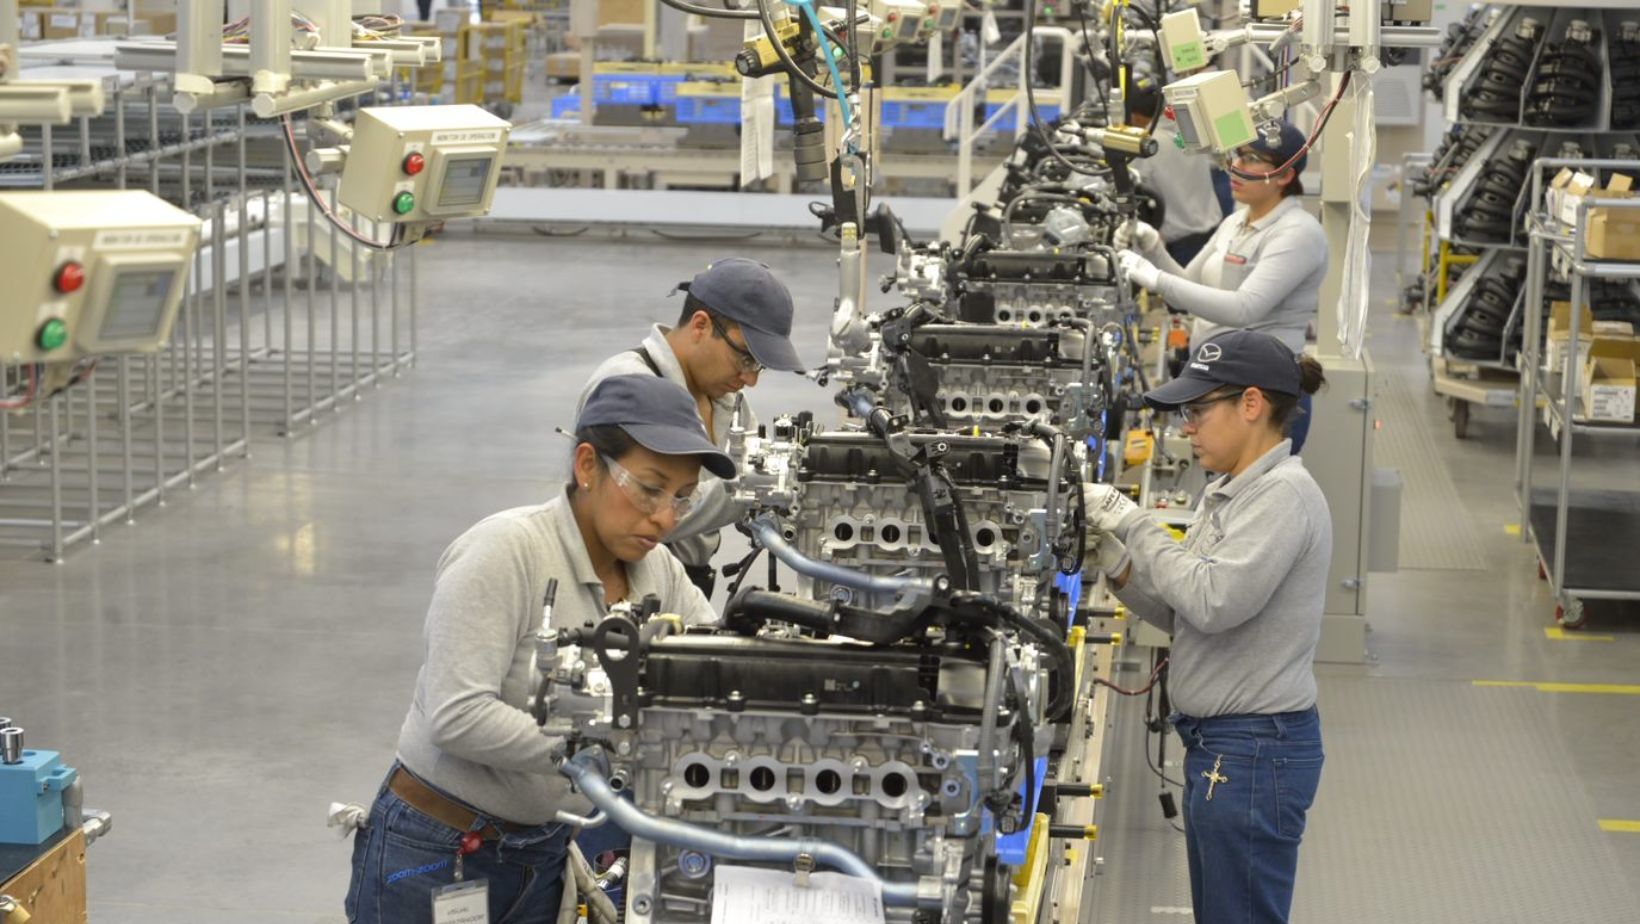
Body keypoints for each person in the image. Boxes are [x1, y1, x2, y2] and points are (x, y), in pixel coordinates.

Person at [345, 374, 732, 924]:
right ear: (587, 466)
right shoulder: (505, 552)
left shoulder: (658, 572)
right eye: (649, 489)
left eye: (682, 498)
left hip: (545, 852)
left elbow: (718, 657)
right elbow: (456, 715)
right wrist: (606, 744)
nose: (666, 517)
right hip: (439, 853)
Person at [1082, 330, 1330, 924]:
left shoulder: (1284, 498)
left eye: (1197, 410)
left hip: (1253, 751)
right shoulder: (1229, 493)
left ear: (1251, 405)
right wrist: (1115, 561)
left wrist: (1133, 521)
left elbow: (1213, 599)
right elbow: (1185, 611)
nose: (1187, 427)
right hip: (1224, 746)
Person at [578, 257, 806, 598]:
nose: (751, 379)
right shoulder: (630, 384)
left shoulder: (730, 402)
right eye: (745, 358)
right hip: (623, 584)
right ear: (700, 325)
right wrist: (766, 486)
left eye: (760, 365)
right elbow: (644, 509)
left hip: (684, 584)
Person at [1115, 121, 1327, 451]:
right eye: (1237, 156)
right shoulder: (1234, 222)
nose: (1236, 167)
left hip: (1265, 394)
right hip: (1222, 383)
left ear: (1285, 176)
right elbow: (1188, 287)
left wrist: (1157, 280)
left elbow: (1244, 308)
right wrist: (1153, 247)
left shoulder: (1298, 233)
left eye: (1252, 159)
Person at [1127, 79, 1226, 266]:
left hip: (1179, 243)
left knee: (1178, 292)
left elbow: (1130, 185)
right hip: (1211, 232)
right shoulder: (1187, 133)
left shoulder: (1148, 145)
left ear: (1136, 117)